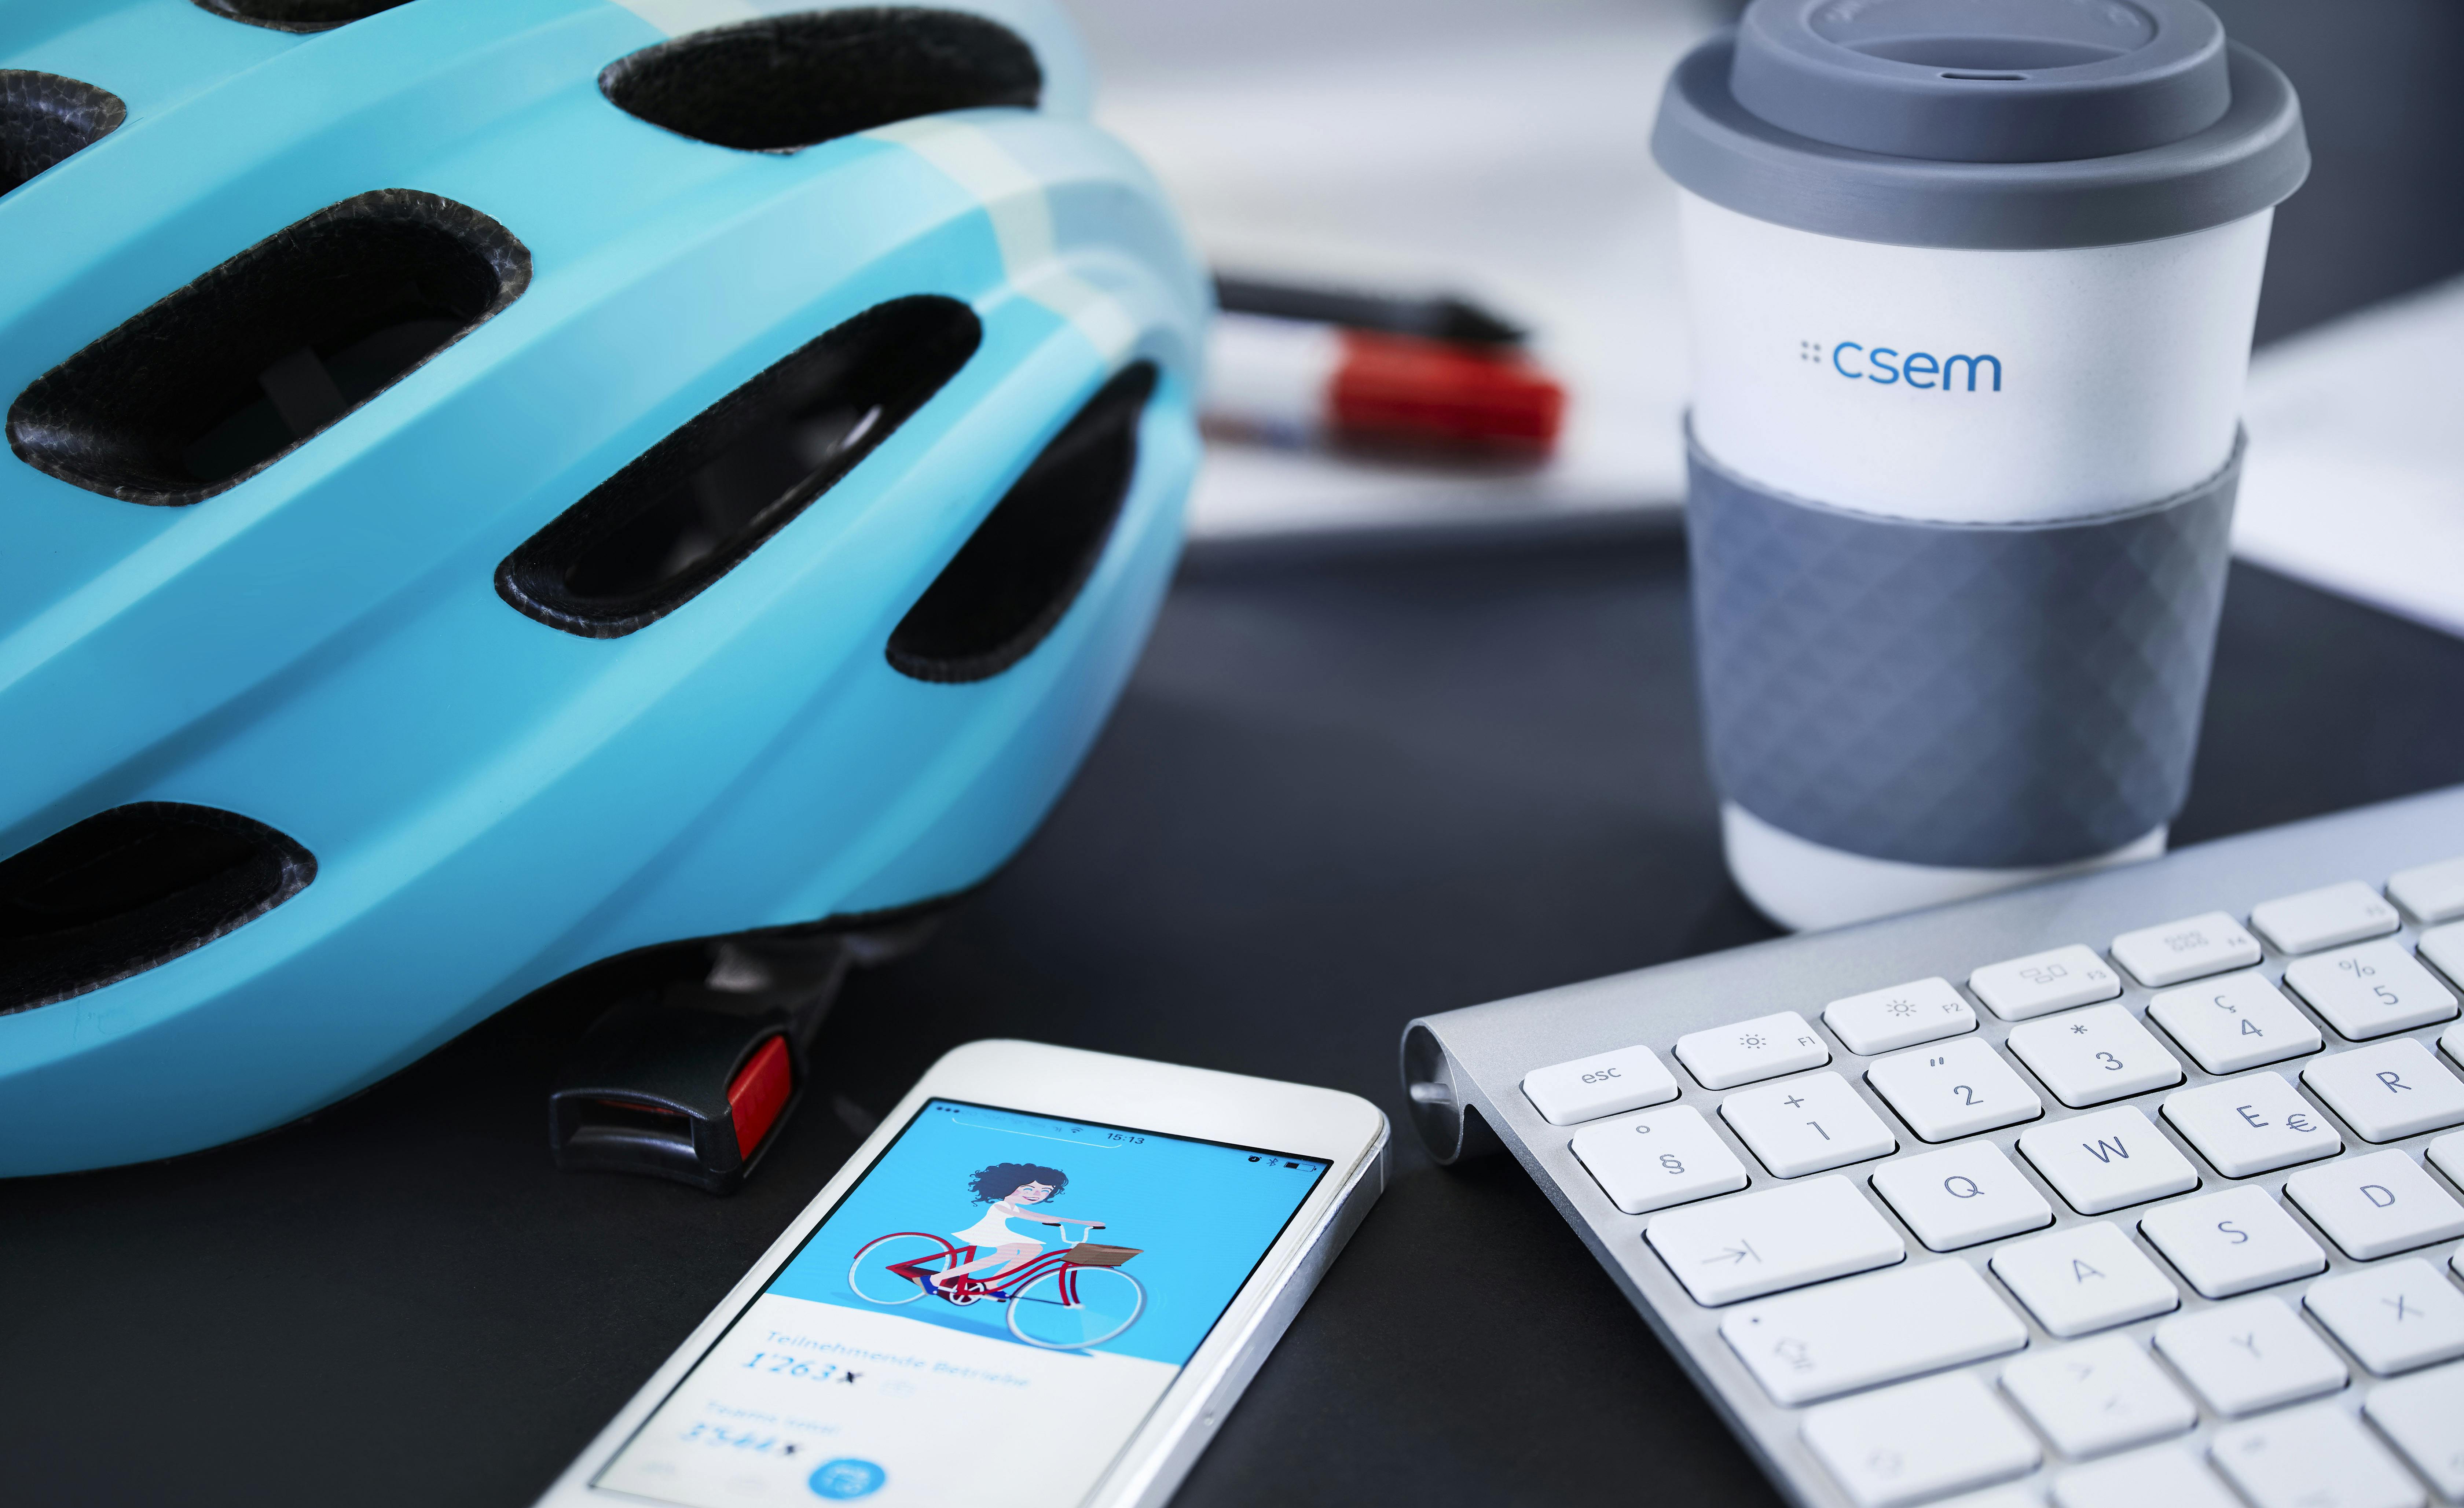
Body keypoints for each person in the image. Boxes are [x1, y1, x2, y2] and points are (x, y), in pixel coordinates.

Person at [933, 1162, 1103, 1293]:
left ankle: (992, 1283)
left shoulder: (1014, 1207)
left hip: (1000, 1235)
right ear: (1007, 1186)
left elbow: (1043, 1216)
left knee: (1034, 1249)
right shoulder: (1001, 1206)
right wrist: (1052, 1221)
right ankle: (938, 1278)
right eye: (1029, 1189)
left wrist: (1084, 1223)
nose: (1037, 1195)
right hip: (987, 1234)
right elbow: (1032, 1218)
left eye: (1045, 1191)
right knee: (1009, 1253)